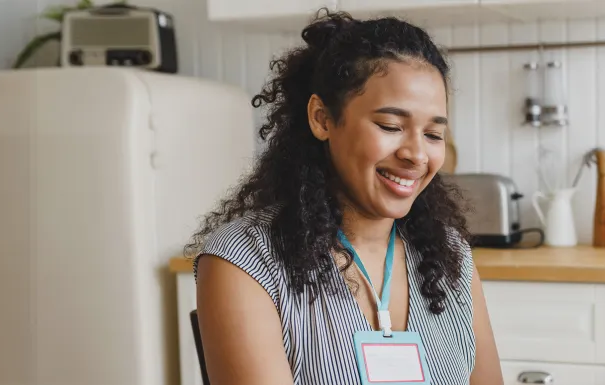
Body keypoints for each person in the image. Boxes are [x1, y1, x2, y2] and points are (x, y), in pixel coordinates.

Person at [185, 10, 504, 385]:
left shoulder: (451, 256)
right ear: (322, 118)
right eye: (391, 126)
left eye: (433, 135)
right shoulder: (246, 261)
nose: (417, 154)